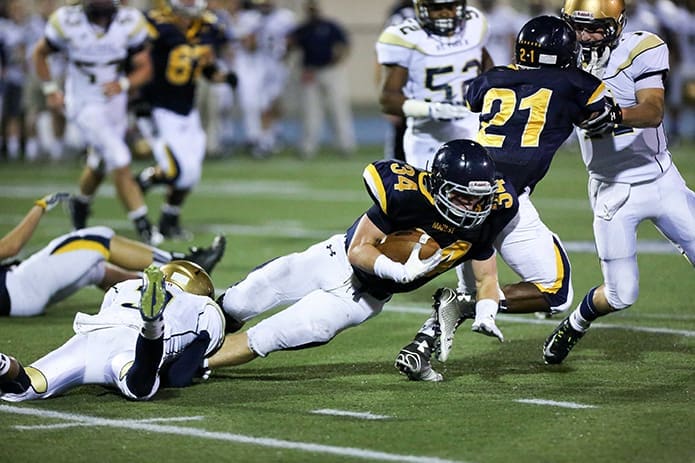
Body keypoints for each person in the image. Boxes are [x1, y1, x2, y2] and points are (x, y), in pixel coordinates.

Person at [397, 15, 612, 374]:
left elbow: (475, 99)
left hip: (460, 195)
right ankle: (466, 307)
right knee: (555, 292)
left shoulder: (492, 78)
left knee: (470, 282)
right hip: (504, 199)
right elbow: (603, 117)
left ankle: (424, 341)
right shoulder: (577, 83)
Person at [205, 139, 519, 383]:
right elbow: (358, 249)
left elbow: (486, 279)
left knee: (274, 334)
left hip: (362, 300)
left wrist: (487, 312)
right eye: (462, 197)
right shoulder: (407, 195)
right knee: (244, 297)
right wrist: (397, 270)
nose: (473, 207)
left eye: (480, 198)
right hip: (334, 260)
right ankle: (191, 330)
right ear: (438, 186)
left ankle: (191, 365)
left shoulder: (487, 219)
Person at [543, 0, 695, 364]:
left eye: (595, 28)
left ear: (618, 25)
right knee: (620, 294)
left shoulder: (641, 48)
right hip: (612, 191)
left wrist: (616, 114)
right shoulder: (563, 59)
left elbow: (654, 110)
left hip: (661, 180)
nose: (585, 36)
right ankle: (576, 323)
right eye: (578, 27)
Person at [0, 262, 226, 401]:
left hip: (91, 336)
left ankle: (3, 364)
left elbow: (107, 312)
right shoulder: (203, 308)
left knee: (27, 385)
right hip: (131, 344)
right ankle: (152, 324)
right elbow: (179, 377)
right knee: (140, 387)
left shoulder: (125, 286)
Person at [32, 0, 160, 244]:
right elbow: (40, 53)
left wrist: (124, 84)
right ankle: (143, 225)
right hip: (83, 99)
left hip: (114, 99)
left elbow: (145, 68)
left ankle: (79, 205)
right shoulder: (67, 21)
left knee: (99, 162)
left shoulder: (129, 22)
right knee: (119, 156)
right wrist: (50, 89)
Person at [0, 192, 226, 317]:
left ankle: (170, 294)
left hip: (19, 298)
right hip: (20, 285)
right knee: (97, 239)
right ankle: (177, 263)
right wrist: (39, 206)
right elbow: (10, 247)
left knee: (96, 271)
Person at [133, 0, 236, 240]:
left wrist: (223, 77)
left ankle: (169, 220)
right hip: (158, 109)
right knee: (176, 170)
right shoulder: (154, 25)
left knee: (190, 174)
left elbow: (205, 68)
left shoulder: (209, 27)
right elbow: (135, 61)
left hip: (187, 111)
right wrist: (136, 98)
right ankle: (143, 181)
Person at [376, 0, 494, 169]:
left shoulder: (474, 25)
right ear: (421, 8)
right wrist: (431, 109)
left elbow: (488, 71)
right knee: (428, 194)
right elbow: (387, 99)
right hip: (429, 139)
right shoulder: (404, 38)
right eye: (436, 8)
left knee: (482, 191)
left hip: (474, 131)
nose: (445, 13)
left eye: (450, 6)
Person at [289, 0, 356, 158]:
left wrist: (337, 61)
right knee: (310, 111)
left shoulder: (330, 26)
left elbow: (345, 45)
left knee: (338, 108)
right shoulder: (302, 29)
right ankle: (308, 147)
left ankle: (345, 145)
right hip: (310, 72)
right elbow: (292, 47)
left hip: (331, 71)